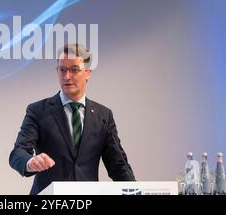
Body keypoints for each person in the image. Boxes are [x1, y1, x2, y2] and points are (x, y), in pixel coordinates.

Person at [9, 43, 135, 195]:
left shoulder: (103, 116)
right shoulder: (38, 111)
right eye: (62, 70)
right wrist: (30, 162)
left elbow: (118, 165)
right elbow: (18, 152)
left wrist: (136, 191)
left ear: (88, 72)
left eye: (74, 70)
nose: (67, 76)